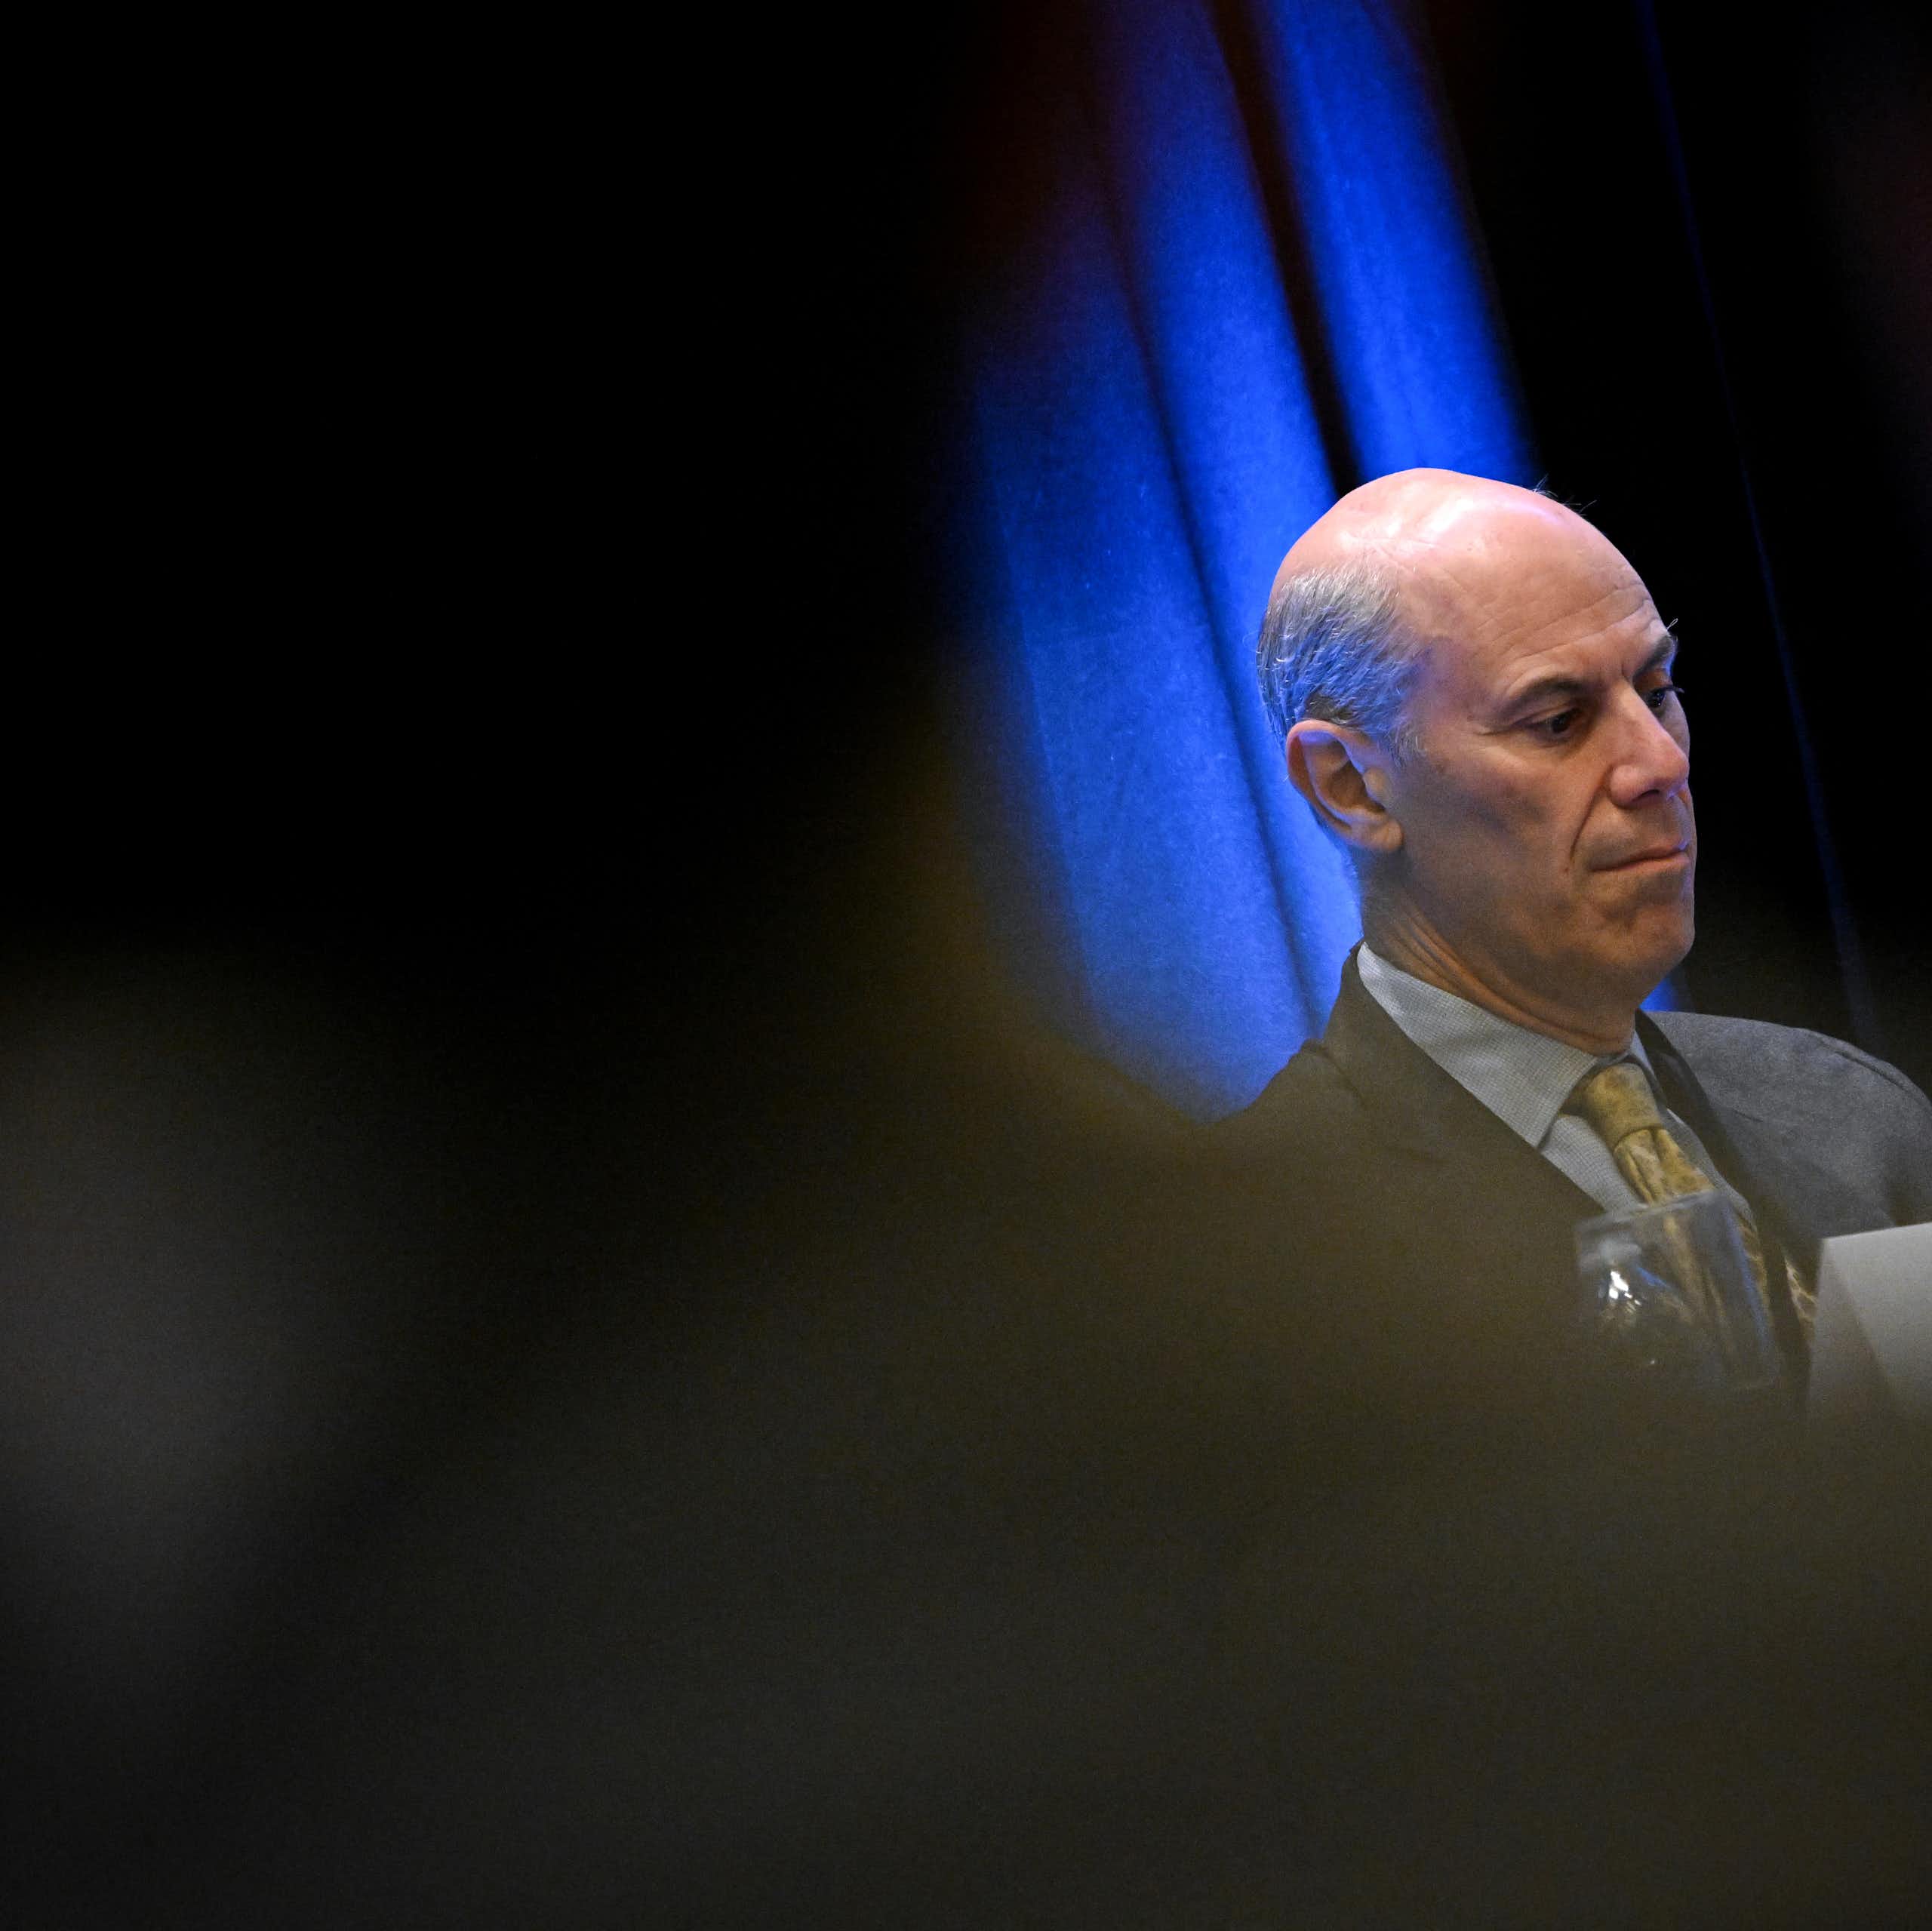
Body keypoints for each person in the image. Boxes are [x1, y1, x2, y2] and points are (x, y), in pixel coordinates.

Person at [1220, 467, 1932, 1389]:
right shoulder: (1265, 1255)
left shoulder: (1851, 1118)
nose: (1659, 762)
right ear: (1349, 787)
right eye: (1559, 721)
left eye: (1658, 688)